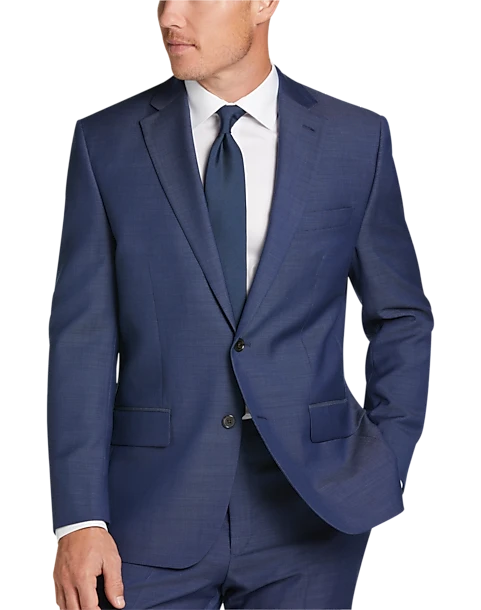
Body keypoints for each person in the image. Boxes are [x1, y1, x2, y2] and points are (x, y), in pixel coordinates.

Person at [47, 1, 434, 608]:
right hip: (148, 509)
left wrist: (385, 455)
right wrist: (79, 517)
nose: (170, 17)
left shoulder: (354, 140)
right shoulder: (109, 142)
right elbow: (83, 339)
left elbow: (401, 316)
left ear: (264, 3)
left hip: (312, 506)